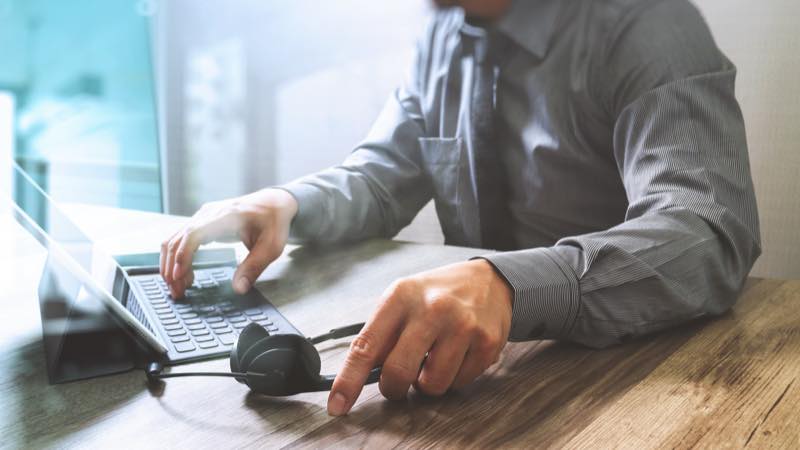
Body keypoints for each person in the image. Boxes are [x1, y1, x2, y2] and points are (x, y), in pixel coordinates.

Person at [160, 0, 761, 416]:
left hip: (637, 386)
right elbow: (380, 177)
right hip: (470, 386)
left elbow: (709, 228)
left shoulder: (648, 26)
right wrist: (286, 202)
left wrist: (510, 285)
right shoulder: (445, 36)